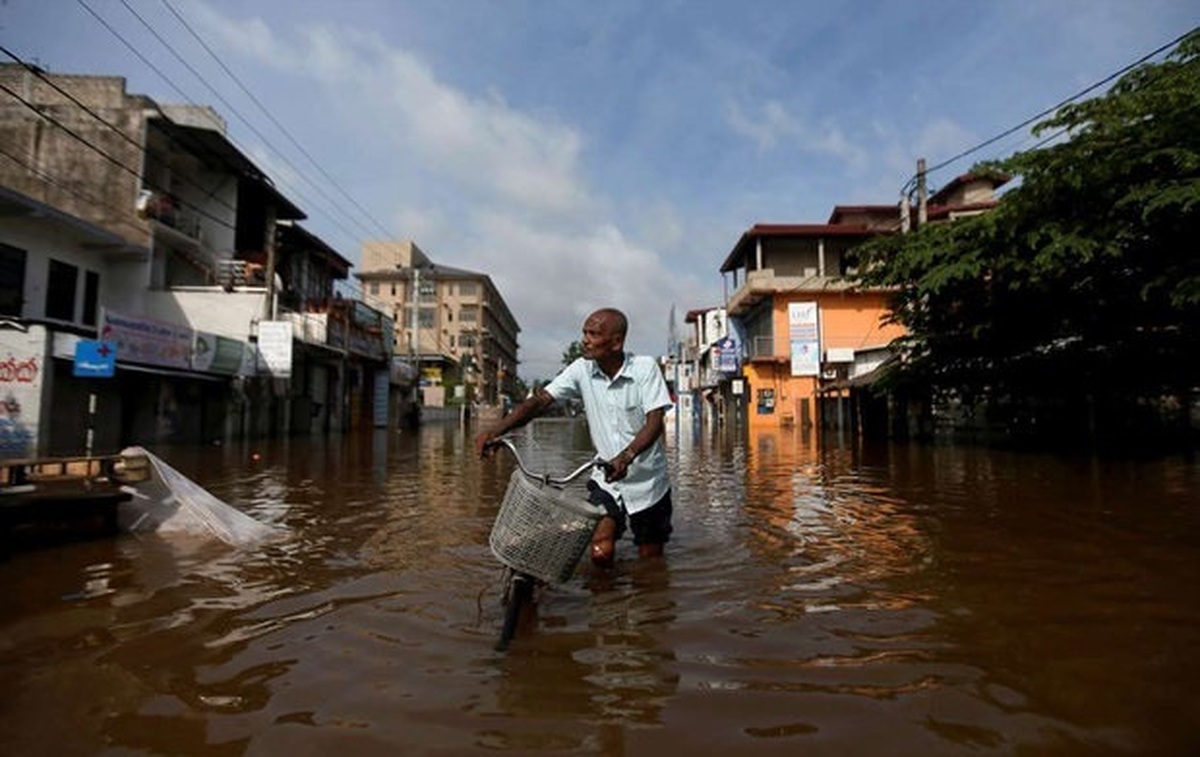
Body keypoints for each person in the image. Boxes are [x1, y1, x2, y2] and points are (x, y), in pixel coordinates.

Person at [475, 308, 674, 567]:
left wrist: (626, 456)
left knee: (650, 560)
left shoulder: (645, 369)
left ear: (616, 342)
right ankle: (604, 601)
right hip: (607, 479)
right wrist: (496, 431)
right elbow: (540, 402)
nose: (585, 339)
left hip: (649, 484)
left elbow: (655, 421)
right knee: (600, 550)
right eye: (584, 332)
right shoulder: (581, 369)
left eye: (593, 334)